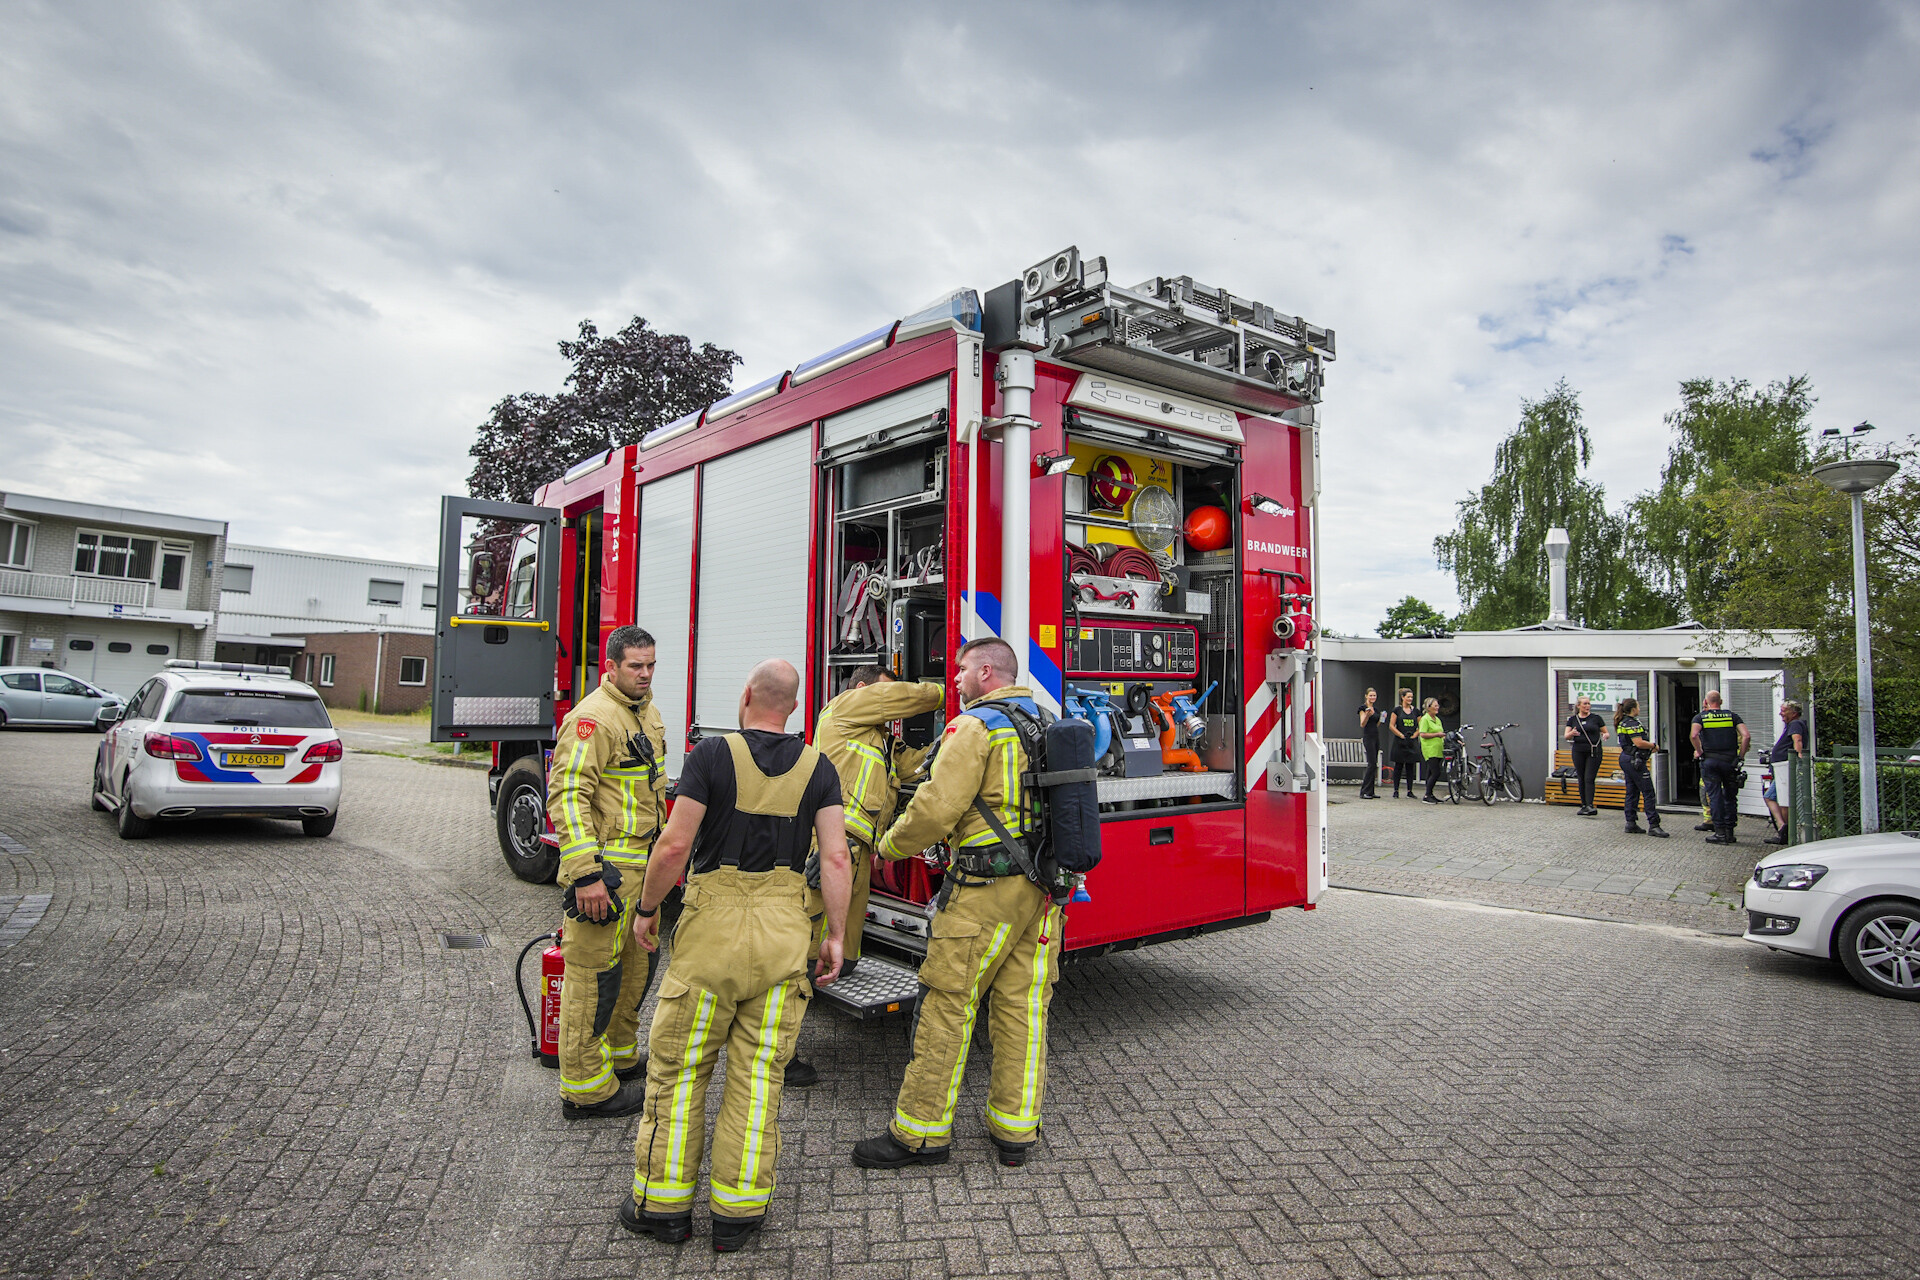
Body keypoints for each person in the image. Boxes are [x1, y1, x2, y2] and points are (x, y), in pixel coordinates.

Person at [619, 659, 851, 1252]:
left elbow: (674, 844)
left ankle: (664, 1209)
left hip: (711, 937)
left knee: (679, 1070)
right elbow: (836, 859)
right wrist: (835, 937)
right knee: (759, 1075)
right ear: (795, 708)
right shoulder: (818, 768)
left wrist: (647, 909)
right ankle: (738, 1215)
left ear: (746, 695)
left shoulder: (711, 756)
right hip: (782, 933)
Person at [851, 637, 1059, 1171]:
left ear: (987, 672)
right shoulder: (1044, 720)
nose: (956, 681)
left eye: (962, 671)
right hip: (1041, 892)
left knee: (947, 1004)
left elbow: (936, 809)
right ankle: (1015, 1131)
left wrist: (887, 845)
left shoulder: (975, 727)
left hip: (983, 895)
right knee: (1023, 1009)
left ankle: (920, 1135)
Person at [786, 666, 942, 1087]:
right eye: (884, 694)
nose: (890, 704)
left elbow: (916, 769)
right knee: (800, 955)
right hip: (831, 848)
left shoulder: (878, 741)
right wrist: (948, 690)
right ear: (862, 689)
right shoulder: (841, 711)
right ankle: (778, 1055)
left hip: (857, 857)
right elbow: (909, 698)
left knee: (843, 956)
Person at [547, 625, 670, 1119]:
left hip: (643, 874)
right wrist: (586, 876)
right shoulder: (593, 719)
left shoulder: (645, 713)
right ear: (611, 668)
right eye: (636, 666)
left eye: (651, 665)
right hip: (607, 875)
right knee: (593, 979)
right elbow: (568, 797)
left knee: (635, 970)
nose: (645, 674)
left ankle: (619, 1057)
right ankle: (585, 1090)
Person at [1690, 689, 1750, 845]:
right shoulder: (1732, 716)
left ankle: (1720, 833)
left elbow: (1694, 735)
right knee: (1730, 796)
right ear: (1721, 701)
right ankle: (1730, 832)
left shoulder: (1700, 717)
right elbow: (1746, 736)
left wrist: (1699, 751)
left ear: (1706, 702)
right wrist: (1740, 756)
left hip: (1710, 761)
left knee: (1715, 796)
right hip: (1729, 761)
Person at [1613, 698, 1667, 838]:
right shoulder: (1631, 723)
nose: (1639, 708)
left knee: (1632, 791)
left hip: (1627, 758)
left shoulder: (1623, 722)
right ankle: (1654, 825)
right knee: (1648, 792)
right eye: (1638, 706)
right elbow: (1638, 742)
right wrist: (1653, 746)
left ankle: (1631, 823)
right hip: (1633, 761)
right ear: (1633, 709)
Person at [1764, 700, 1810, 845]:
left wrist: (1799, 758)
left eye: (1784, 711)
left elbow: (1797, 740)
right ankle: (1783, 827)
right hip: (1782, 768)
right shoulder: (1791, 725)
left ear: (1794, 713)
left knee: (1783, 800)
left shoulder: (1795, 724)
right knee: (1770, 797)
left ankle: (1787, 832)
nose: (1781, 714)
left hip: (1786, 768)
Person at [1564, 694, 1605, 816]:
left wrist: (1605, 735)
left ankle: (1590, 805)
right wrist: (1572, 733)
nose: (1587, 706)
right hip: (1578, 751)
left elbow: (1605, 732)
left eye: (1589, 703)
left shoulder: (1596, 718)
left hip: (1594, 751)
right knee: (1581, 777)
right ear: (1579, 706)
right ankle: (1583, 805)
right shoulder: (1572, 719)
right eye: (1585, 704)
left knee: (1589, 778)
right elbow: (1566, 736)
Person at [1389, 688, 1421, 799]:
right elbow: (1391, 725)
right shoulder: (1397, 710)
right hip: (1400, 741)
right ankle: (1396, 790)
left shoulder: (1416, 711)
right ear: (1403, 697)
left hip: (1411, 742)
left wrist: (1415, 735)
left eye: (1411, 697)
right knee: (1398, 766)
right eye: (1408, 697)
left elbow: (1420, 726)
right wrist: (1400, 735)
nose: (1410, 699)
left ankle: (1409, 790)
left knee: (1410, 767)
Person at [1418, 697, 1446, 802]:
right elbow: (1423, 734)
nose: (1437, 707)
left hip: (1438, 749)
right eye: (1435, 705)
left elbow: (1441, 733)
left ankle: (1430, 794)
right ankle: (1426, 795)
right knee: (1436, 772)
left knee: (1430, 772)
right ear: (1429, 707)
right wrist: (1437, 734)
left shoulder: (1437, 719)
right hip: (1430, 749)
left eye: (1438, 705)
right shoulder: (1425, 719)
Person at [1357, 687, 1383, 799]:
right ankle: (1364, 791)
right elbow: (1362, 724)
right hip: (1368, 737)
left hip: (1375, 736)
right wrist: (1368, 715)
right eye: (1371, 695)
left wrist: (1382, 718)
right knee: (1371, 763)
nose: (1373, 697)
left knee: (1374, 764)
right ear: (1366, 696)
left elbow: (1376, 724)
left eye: (1374, 695)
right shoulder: (1363, 708)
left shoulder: (1376, 709)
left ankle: (1371, 791)